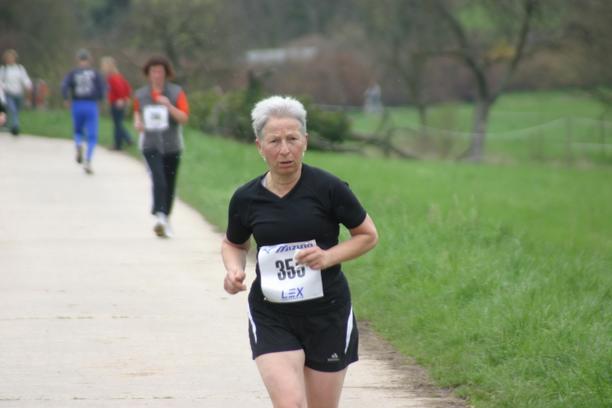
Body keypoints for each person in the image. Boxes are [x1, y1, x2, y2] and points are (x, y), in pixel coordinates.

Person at [221, 95, 378, 407]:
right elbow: (234, 244)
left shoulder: (328, 188)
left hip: (327, 312)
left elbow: (367, 235)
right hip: (272, 313)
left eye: (292, 139)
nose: (285, 150)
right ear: (259, 146)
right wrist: (233, 269)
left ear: (305, 140)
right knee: (290, 403)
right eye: (274, 141)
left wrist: (328, 257)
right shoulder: (246, 198)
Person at [133, 56, 189, 238]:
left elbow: (184, 118)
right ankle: (160, 216)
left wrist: (169, 106)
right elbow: (137, 113)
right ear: (148, 74)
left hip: (172, 145)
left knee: (170, 183)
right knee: (159, 179)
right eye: (153, 71)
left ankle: (165, 218)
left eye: (160, 71)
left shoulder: (176, 92)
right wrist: (138, 122)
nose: (157, 75)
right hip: (150, 145)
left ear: (166, 73)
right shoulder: (141, 95)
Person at [61, 49, 106, 174]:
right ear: (89, 60)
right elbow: (102, 88)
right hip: (91, 104)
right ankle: (88, 160)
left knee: (78, 130)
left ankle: (78, 144)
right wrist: (100, 100)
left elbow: (64, 85)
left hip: (77, 104)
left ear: (78, 60)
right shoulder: (95, 73)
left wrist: (66, 98)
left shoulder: (73, 73)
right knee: (92, 136)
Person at [100, 56, 133, 150]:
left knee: (117, 124)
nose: (103, 68)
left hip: (117, 103)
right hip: (115, 102)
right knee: (118, 123)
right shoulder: (116, 76)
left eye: (104, 66)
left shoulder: (114, 77)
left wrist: (122, 99)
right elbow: (128, 88)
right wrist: (126, 98)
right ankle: (126, 140)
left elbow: (122, 89)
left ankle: (119, 144)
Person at [0, 49, 32, 135]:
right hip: (8, 94)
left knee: (16, 111)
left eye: (11, 58)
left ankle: (8, 124)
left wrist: (28, 86)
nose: (10, 60)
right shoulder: (3, 70)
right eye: (8, 58)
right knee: (13, 110)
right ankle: (15, 127)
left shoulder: (20, 69)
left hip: (18, 94)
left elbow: (25, 79)